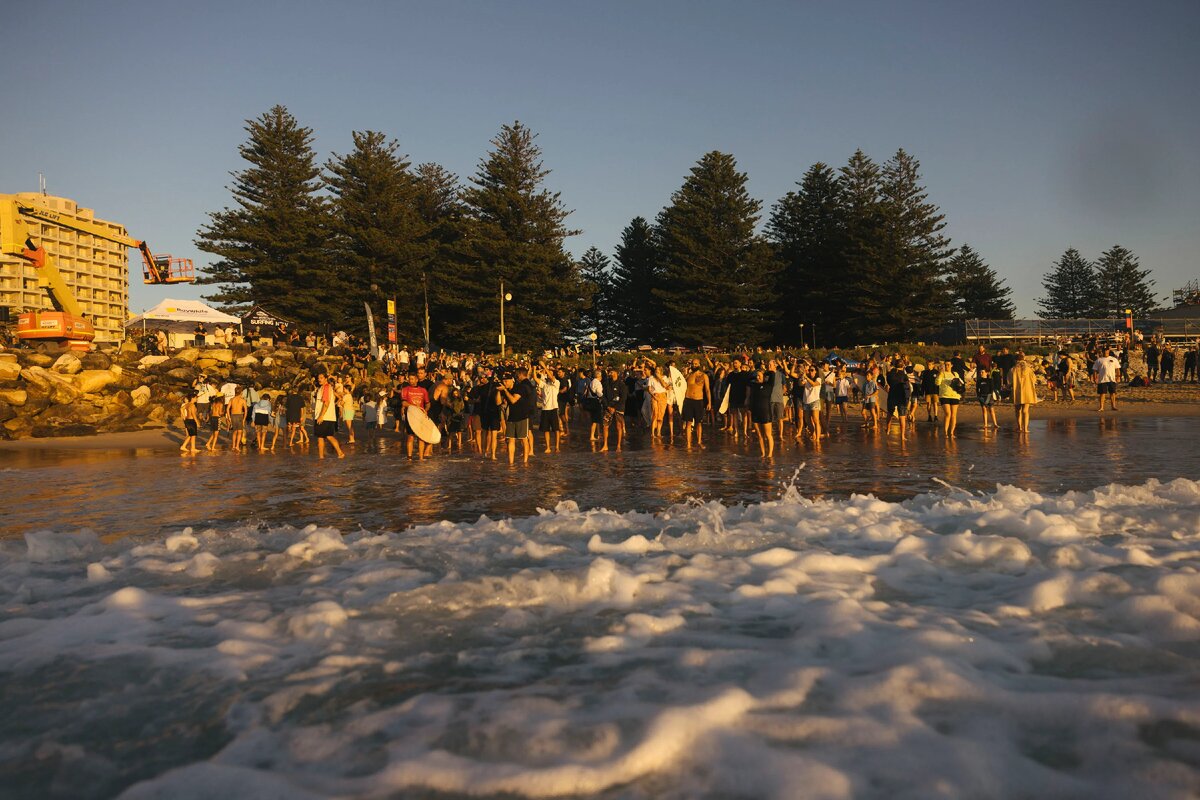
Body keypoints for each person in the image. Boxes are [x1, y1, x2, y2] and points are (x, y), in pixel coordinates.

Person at [499, 368, 536, 464]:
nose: (505, 383)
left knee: (524, 439)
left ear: (512, 380)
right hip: (511, 417)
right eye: (503, 381)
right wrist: (498, 392)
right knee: (510, 440)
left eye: (506, 381)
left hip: (522, 416)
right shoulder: (506, 389)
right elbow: (498, 402)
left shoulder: (520, 387)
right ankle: (511, 462)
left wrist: (505, 391)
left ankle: (525, 462)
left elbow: (513, 400)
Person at [746, 364, 777, 457]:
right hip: (755, 411)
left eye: (759, 376)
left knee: (768, 434)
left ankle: (770, 453)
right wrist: (757, 373)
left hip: (765, 412)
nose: (757, 377)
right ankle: (763, 453)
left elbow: (772, 374)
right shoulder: (754, 385)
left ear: (764, 376)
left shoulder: (768, 385)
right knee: (759, 435)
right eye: (757, 376)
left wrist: (764, 371)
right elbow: (749, 378)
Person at [400, 370, 431, 459]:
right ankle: (409, 458)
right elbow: (404, 403)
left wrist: (426, 410)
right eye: (409, 379)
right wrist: (415, 406)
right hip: (410, 416)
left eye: (413, 379)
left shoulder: (423, 390)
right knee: (410, 437)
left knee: (421, 437)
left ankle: (421, 458)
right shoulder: (405, 390)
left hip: (420, 416)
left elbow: (428, 403)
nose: (411, 381)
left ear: (417, 379)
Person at [313, 373, 345, 458]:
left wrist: (321, 416)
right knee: (323, 436)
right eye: (318, 378)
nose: (319, 379)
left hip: (325, 417)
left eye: (321, 378)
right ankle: (322, 456)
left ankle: (339, 453)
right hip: (325, 416)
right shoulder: (324, 387)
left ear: (326, 378)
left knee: (325, 436)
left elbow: (326, 403)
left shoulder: (326, 387)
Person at [534, 364, 562, 453]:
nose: (549, 375)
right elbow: (535, 378)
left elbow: (552, 377)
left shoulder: (556, 383)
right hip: (545, 409)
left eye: (551, 374)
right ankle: (548, 447)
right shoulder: (544, 384)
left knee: (556, 429)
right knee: (546, 429)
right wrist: (534, 369)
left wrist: (544, 366)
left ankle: (557, 447)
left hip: (553, 408)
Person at [599, 366, 628, 452]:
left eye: (611, 372)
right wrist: (607, 406)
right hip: (608, 407)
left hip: (619, 408)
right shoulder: (606, 383)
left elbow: (623, 398)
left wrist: (615, 408)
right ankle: (605, 445)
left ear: (616, 373)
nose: (610, 374)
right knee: (605, 426)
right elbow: (603, 396)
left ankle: (618, 446)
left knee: (618, 426)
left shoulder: (622, 384)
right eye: (609, 372)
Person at [682, 361, 711, 447]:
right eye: (693, 364)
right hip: (688, 400)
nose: (694, 365)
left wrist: (709, 402)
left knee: (699, 422)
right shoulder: (688, 376)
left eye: (696, 364)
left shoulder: (704, 376)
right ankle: (688, 444)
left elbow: (707, 390)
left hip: (698, 400)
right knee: (688, 422)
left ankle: (699, 442)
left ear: (699, 365)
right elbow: (680, 385)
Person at [1010, 352, 1038, 433]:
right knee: (1025, 411)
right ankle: (1025, 429)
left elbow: (1009, 381)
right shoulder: (1029, 369)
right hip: (1027, 391)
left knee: (1017, 410)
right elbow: (1034, 380)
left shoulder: (1013, 369)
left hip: (1017, 391)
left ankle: (1019, 427)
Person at [935, 360, 963, 437]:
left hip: (955, 395)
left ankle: (951, 432)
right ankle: (945, 432)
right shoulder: (942, 374)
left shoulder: (955, 374)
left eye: (948, 365)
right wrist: (939, 374)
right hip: (944, 396)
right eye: (945, 365)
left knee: (954, 415)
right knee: (948, 414)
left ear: (951, 365)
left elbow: (960, 383)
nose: (947, 366)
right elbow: (937, 383)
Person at [976, 363, 999, 429]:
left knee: (991, 410)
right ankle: (985, 424)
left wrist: (989, 397)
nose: (981, 373)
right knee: (984, 410)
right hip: (982, 396)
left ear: (986, 373)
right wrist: (979, 396)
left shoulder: (990, 380)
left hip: (989, 396)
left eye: (982, 372)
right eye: (980, 372)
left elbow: (991, 389)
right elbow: (977, 389)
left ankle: (995, 424)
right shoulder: (979, 381)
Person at [228, 386, 247, 452]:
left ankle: (234, 446)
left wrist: (229, 417)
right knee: (239, 432)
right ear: (241, 392)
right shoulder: (243, 400)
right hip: (239, 416)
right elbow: (246, 410)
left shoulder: (232, 399)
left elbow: (227, 409)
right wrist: (244, 419)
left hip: (233, 415)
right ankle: (237, 446)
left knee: (235, 432)